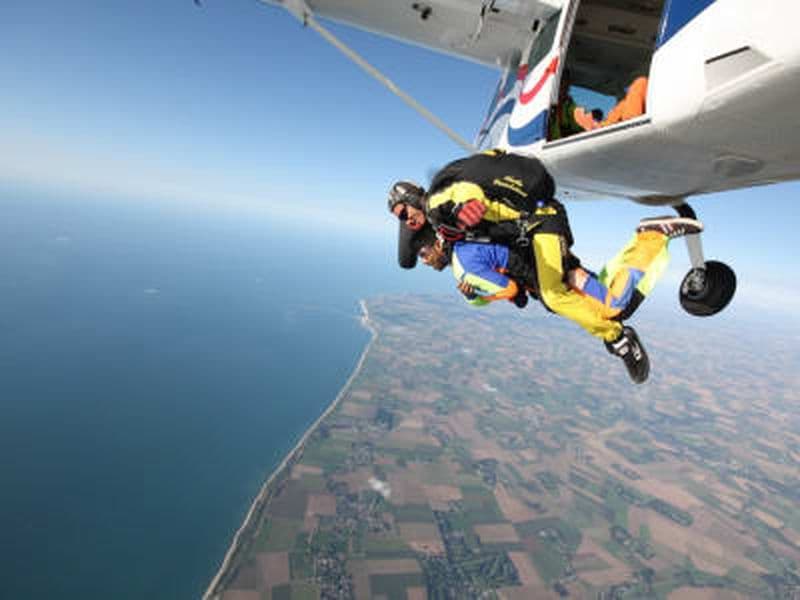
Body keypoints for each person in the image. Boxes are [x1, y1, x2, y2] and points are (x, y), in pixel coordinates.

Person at [387, 150, 702, 383]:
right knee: (614, 304)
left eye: (403, 213)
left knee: (554, 296)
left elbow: (462, 192)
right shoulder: (456, 237)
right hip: (542, 242)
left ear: (415, 199)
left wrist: (471, 205)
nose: (407, 221)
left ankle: (617, 339)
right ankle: (652, 236)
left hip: (540, 224)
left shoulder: (437, 207)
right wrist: (474, 295)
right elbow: (499, 268)